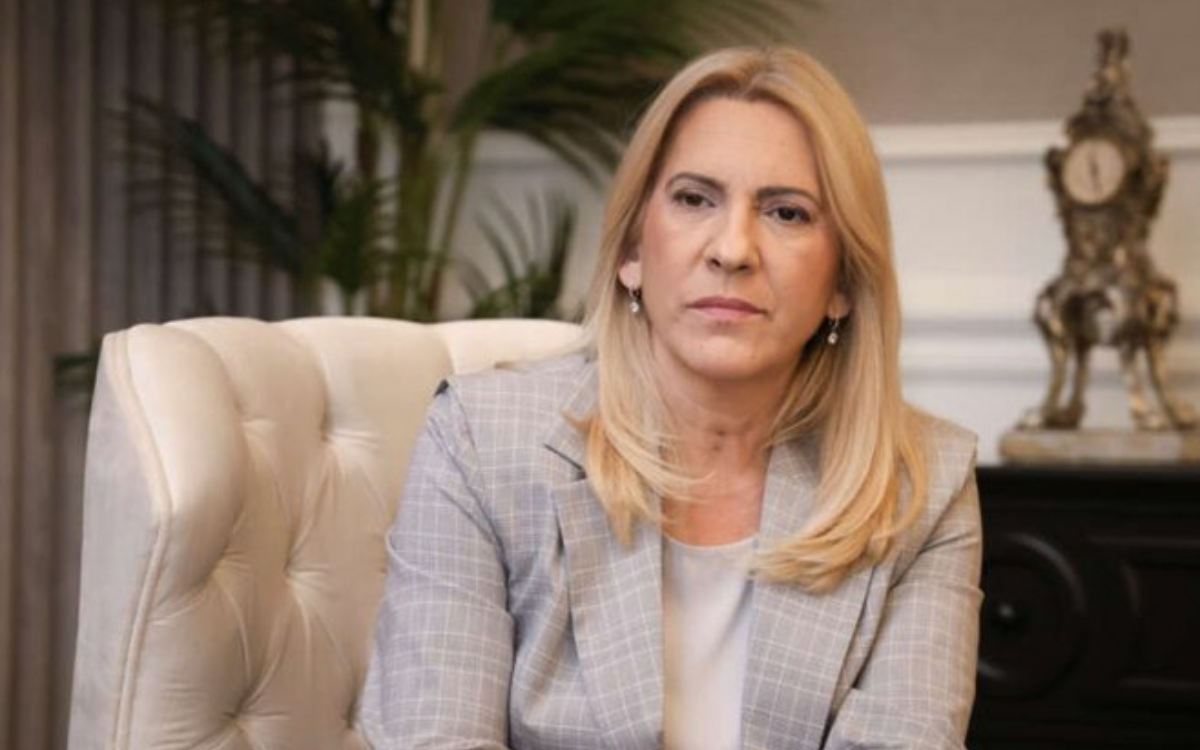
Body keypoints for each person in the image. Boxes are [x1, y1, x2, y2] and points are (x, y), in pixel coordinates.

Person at [359, 46, 982, 750]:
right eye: (694, 199)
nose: (733, 249)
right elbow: (436, 737)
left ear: (843, 282)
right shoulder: (478, 441)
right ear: (632, 249)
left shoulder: (921, 484)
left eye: (786, 213)